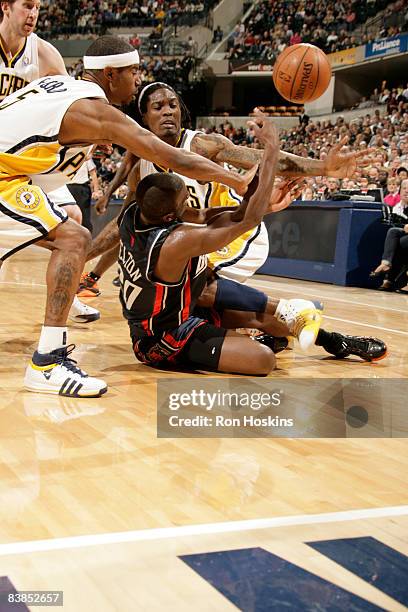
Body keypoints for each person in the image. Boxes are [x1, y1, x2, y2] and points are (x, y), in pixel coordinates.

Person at [0, 35, 257, 397]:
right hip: (3, 176)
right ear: (109, 74)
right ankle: (47, 362)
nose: (137, 79)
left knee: (72, 235)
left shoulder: (57, 87)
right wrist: (234, 179)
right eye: (132, 71)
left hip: (10, 175)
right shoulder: (98, 112)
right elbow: (173, 156)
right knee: (74, 237)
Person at [82, 82, 373, 295]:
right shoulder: (140, 169)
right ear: (144, 118)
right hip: (196, 240)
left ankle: (281, 317)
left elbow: (261, 158)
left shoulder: (201, 145)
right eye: (158, 107)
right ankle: (252, 327)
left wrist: (323, 167)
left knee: (196, 284)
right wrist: (85, 255)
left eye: (173, 105)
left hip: (234, 230)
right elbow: (125, 224)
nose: (168, 111)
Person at [0, 0, 99, 324]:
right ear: (5, 6)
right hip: (3, 153)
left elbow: (67, 105)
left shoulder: (44, 54)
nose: (33, 14)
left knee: (73, 217)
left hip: (28, 151)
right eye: (27, 6)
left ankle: (66, 297)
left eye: (38, 8)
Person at [370, 179, 408, 291]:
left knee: (399, 243)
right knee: (393, 233)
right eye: (404, 188)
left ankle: (389, 278)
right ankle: (386, 263)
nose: (406, 191)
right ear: (400, 191)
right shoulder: (397, 207)